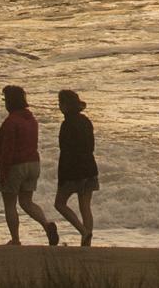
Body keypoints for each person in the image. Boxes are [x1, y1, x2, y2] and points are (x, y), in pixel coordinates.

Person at [0, 85, 59, 245]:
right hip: (33, 163)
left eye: (5, 99)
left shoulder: (11, 121)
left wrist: (3, 172)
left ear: (10, 101)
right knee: (26, 201)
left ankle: (15, 239)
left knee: (10, 204)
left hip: (16, 165)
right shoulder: (31, 119)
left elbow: (8, 149)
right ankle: (46, 224)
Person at [53, 89, 100, 247]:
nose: (59, 106)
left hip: (73, 170)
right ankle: (86, 243)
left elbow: (65, 151)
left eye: (61, 103)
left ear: (66, 106)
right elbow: (91, 146)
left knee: (59, 203)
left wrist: (62, 177)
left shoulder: (67, 124)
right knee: (85, 206)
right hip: (90, 167)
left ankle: (83, 231)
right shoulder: (86, 121)